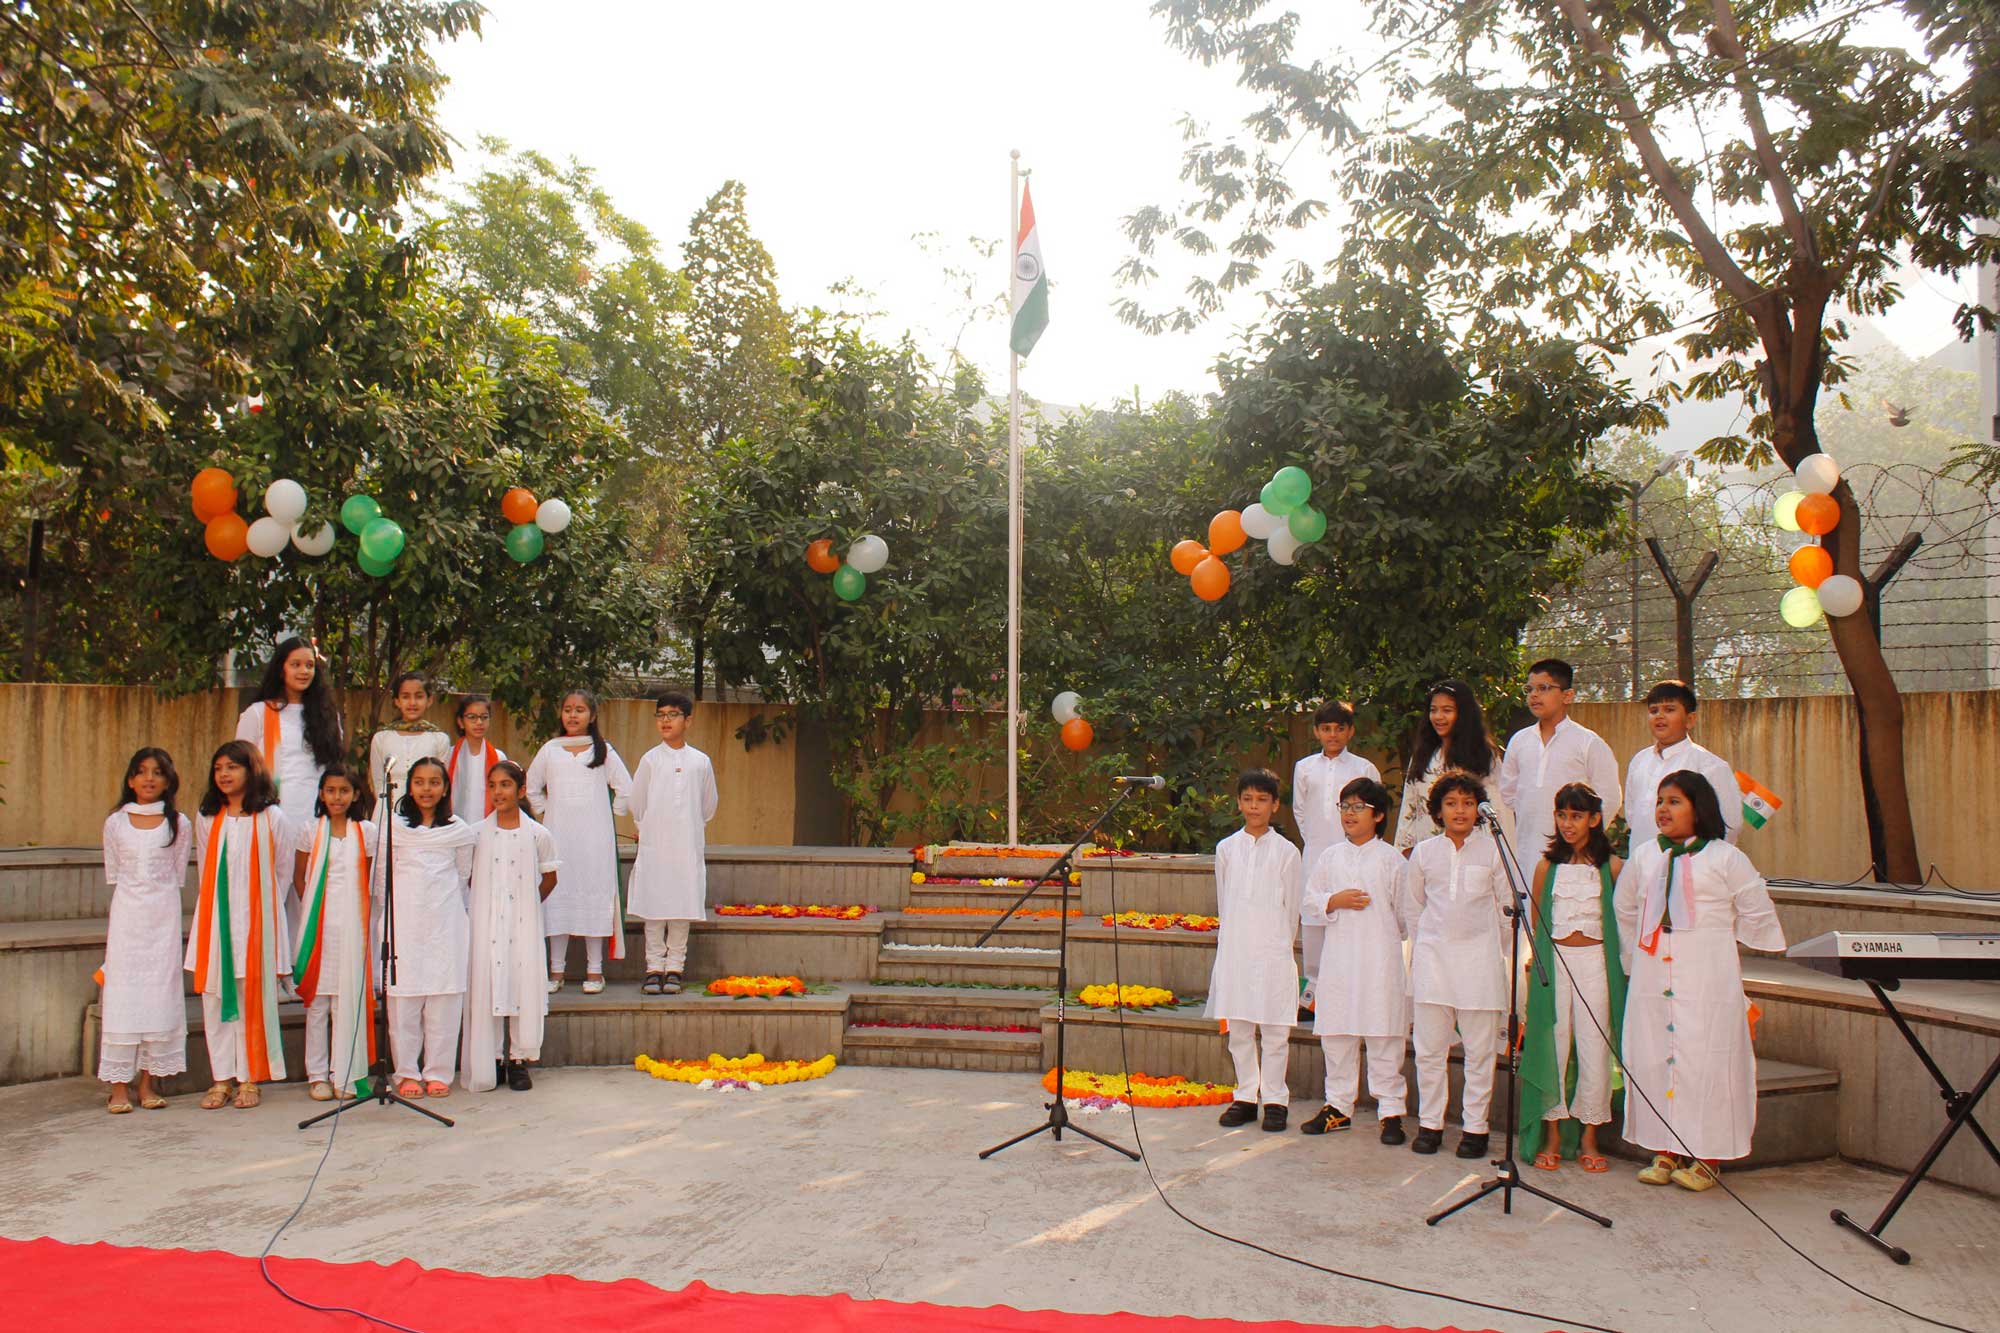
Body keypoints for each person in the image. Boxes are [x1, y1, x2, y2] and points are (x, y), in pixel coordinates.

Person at [1616, 770, 1785, 1192]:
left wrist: (1722, 942)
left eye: (1674, 801)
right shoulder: (1645, 856)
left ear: (1699, 807)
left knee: (1705, 1060)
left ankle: (1706, 1158)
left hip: (1706, 976)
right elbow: (1625, 907)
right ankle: (1663, 1151)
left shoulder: (1725, 858)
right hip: (1653, 974)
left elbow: (1755, 906)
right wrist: (1635, 956)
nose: (1663, 809)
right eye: (1660, 801)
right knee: (1655, 1055)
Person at [1519, 782, 1626, 1174]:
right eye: (1562, 815)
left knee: (1595, 1045)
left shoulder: (1612, 867)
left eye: (1576, 816)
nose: (1567, 823)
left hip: (1595, 962)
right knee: (1555, 1044)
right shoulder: (1546, 867)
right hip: (1556, 964)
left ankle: (1589, 1136)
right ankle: (1551, 1134)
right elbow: (1537, 924)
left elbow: (1622, 923)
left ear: (1595, 819)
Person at [1298, 777, 1410, 1145]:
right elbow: (1309, 899)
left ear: (1378, 815)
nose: (1349, 813)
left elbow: (1405, 916)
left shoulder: (1392, 860)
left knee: (1383, 1034)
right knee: (1338, 1033)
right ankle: (1338, 1106)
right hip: (1339, 960)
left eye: (1358, 807)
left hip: (1380, 960)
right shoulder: (1330, 857)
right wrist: (1335, 900)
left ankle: (1390, 1110)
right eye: (1345, 806)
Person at [185, 741, 296, 1110]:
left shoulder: (272, 818)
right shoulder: (208, 817)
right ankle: (221, 1078)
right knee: (215, 998)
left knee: (252, 999)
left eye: (232, 767)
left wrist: (262, 915)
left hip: (256, 921)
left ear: (251, 770)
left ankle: (249, 1078)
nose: (224, 774)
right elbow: (206, 869)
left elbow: (282, 872)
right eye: (218, 768)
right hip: (217, 920)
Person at [1403, 772, 1507, 1158]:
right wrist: (1427, 947)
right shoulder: (1424, 853)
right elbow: (1413, 908)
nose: (1460, 810)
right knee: (1430, 1050)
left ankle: (1475, 1128)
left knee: (1480, 1052)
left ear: (1479, 808)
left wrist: (1493, 951)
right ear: (1438, 810)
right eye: (1451, 803)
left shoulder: (1493, 851)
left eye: (1467, 803)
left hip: (1480, 963)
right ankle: (1430, 1124)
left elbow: (1506, 909)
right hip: (1433, 962)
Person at [1205, 769, 1304, 1132]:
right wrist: (1233, 942)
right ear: (1238, 803)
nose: (1254, 806)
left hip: (1273, 949)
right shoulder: (1227, 849)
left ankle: (1276, 1099)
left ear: (1275, 805)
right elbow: (1224, 902)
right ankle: (1246, 1096)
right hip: (1237, 950)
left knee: (1276, 1030)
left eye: (1262, 799)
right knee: (1240, 1028)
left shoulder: (1287, 852)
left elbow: (1292, 908)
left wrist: (1279, 946)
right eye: (1247, 799)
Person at [374, 756, 478, 1098]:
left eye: (434, 782)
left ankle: (437, 1073)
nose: (426, 789)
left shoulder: (459, 831)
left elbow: (462, 876)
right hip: (403, 923)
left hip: (445, 924)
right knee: (403, 1002)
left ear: (445, 788)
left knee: (444, 1000)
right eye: (419, 782)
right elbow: (382, 877)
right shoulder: (393, 827)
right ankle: (406, 1073)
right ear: (409, 786)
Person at [99, 748, 192, 1114]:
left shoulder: (179, 823)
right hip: (127, 919)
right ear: (130, 780)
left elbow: (177, 874)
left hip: (162, 919)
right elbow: (115, 873)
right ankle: (118, 1088)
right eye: (141, 772)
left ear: (168, 781)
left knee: (159, 995)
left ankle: (147, 1085)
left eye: (157, 772)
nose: (149, 778)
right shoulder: (115, 823)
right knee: (122, 995)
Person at [462, 761, 559, 1093]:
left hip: (523, 924)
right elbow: (469, 877)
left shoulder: (538, 834)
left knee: (521, 983)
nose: (498, 792)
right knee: (488, 982)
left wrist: (526, 905)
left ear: (520, 790)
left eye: (505, 785)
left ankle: (519, 1058)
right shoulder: (476, 834)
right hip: (487, 923)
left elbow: (550, 878)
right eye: (492, 785)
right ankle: (490, 1058)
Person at [527, 688, 632, 995]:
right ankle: (556, 970)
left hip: (594, 839)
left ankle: (595, 971)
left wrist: (611, 813)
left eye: (580, 710)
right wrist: (547, 812)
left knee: (594, 896)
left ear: (592, 716)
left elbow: (625, 788)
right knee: (557, 896)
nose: (573, 715)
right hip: (558, 837)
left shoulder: (603, 751)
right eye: (568, 709)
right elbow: (531, 787)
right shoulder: (550, 750)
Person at [291, 764, 377, 1102]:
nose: (337, 797)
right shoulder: (310, 830)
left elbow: (367, 879)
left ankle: (343, 1073)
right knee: (317, 1004)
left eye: (344, 791)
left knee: (345, 1003)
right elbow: (300, 877)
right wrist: (314, 913)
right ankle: (316, 1075)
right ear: (321, 794)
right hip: (319, 928)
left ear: (355, 795)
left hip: (352, 929)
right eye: (330, 790)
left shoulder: (366, 832)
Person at [1292, 700, 1381, 1019]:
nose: (1333, 734)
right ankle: (1312, 998)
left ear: (1351, 731)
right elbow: (1300, 811)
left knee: (1352, 922)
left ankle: (1353, 996)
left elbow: (1375, 811)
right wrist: (1319, 843)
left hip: (1356, 857)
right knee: (1314, 922)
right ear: (1317, 732)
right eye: (1326, 728)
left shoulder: (1364, 768)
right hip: (1315, 854)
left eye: (1339, 728)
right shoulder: (1304, 767)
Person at [627, 692, 719, 996]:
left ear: (688, 720)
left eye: (673, 715)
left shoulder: (700, 762)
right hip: (655, 845)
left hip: (686, 845)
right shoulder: (650, 760)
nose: (666, 721)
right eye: (661, 715)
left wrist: (685, 826)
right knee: (654, 907)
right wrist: (649, 828)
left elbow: (708, 806)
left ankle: (675, 967)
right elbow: (637, 802)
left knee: (681, 906)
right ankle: (654, 967)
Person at [1497, 658, 1621, 864]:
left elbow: (1610, 798)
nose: (1534, 695)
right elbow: (1509, 794)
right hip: (1527, 852)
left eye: (1543, 688)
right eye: (1529, 689)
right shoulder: (1519, 741)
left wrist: (1583, 839)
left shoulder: (1588, 743)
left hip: (1574, 856)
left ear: (1567, 695)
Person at [235, 636, 345, 829]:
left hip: (318, 815)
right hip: (269, 816)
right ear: (281, 669)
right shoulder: (258, 713)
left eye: (309, 665)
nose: (304, 671)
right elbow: (240, 766)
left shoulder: (328, 715)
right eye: (296, 665)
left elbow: (334, 766)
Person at [1624, 680, 1740, 846]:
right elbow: (1632, 816)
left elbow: (1729, 825)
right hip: (1641, 858)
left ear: (1690, 719)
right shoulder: (1639, 761)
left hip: (1691, 860)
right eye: (1654, 710)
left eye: (1669, 710)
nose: (1659, 716)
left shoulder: (1710, 766)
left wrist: (1701, 859)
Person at [1396, 680, 1504, 851]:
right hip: (1427, 852)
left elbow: (1495, 809)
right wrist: (1405, 850)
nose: (1438, 717)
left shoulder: (1483, 755)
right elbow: (1409, 808)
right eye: (1433, 710)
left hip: (1471, 851)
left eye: (1447, 710)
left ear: (1463, 714)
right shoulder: (1422, 755)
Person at [368, 672, 451, 803]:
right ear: (397, 701)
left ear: (429, 700)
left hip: (425, 805)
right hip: (387, 806)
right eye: (406, 697)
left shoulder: (439, 739)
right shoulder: (381, 738)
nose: (412, 703)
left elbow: (440, 780)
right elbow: (378, 781)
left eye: (419, 696)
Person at [446, 693, 507, 825]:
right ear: (461, 722)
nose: (479, 722)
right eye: (472, 717)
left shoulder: (498, 757)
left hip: (488, 826)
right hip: (454, 826)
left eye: (484, 717)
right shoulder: (449, 756)